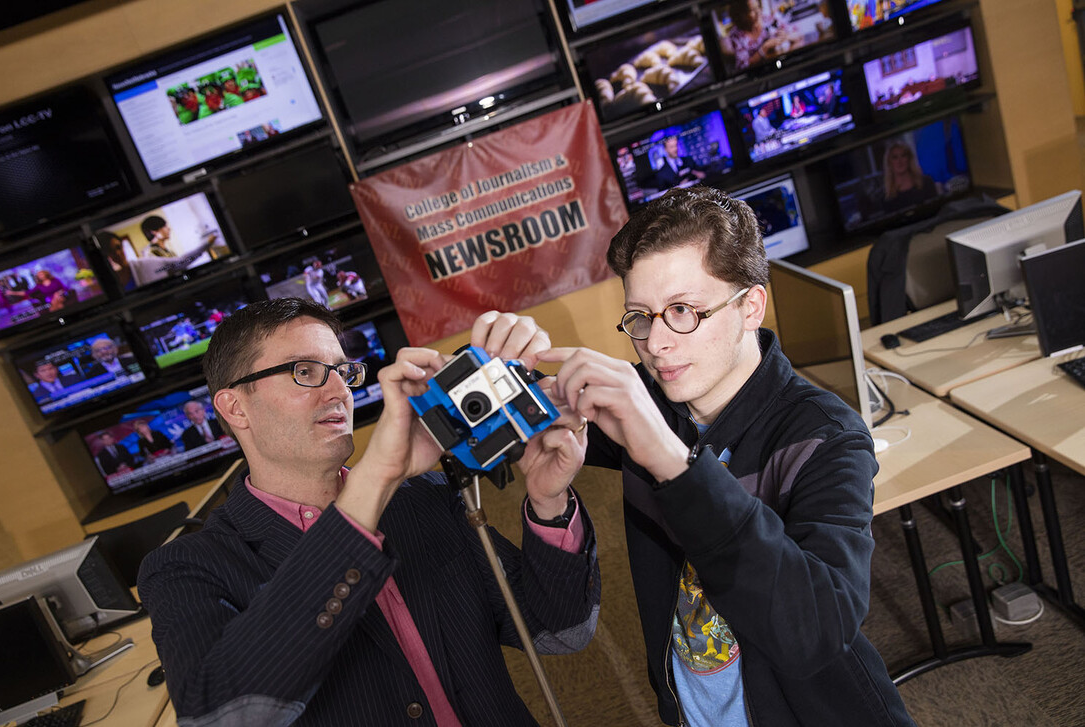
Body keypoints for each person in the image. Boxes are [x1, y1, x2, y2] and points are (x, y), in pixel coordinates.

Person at [538, 186, 913, 726]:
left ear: (751, 306)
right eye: (640, 317)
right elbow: (537, 413)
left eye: (683, 311)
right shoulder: (654, 401)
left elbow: (818, 631)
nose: (657, 343)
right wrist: (504, 366)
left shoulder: (825, 435)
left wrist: (673, 461)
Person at [137, 298, 600, 725]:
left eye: (343, 370)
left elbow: (563, 631)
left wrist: (548, 501)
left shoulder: (426, 497)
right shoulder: (184, 568)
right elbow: (220, 715)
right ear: (235, 406)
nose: (339, 391)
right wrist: (376, 478)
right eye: (305, 371)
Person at [722, 0, 801, 71]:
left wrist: (786, 37)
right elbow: (743, 66)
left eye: (758, 7)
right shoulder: (736, 35)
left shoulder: (768, 19)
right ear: (741, 15)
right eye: (752, 10)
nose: (758, 12)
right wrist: (764, 48)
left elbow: (798, 34)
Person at [882, 141, 939, 215]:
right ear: (889, 162)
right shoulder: (886, 196)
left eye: (903, 155)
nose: (900, 161)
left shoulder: (926, 182)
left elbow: (937, 211)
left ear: (909, 158)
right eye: (895, 157)